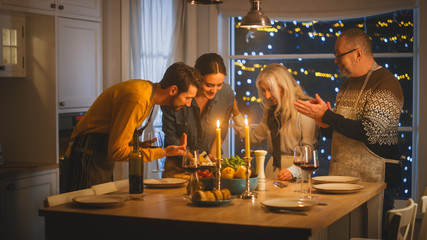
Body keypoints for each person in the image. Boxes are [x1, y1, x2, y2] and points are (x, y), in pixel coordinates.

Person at [294, 28, 403, 239]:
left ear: (358, 53)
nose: (335, 60)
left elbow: (371, 133)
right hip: (344, 183)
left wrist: (328, 117)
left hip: (377, 183)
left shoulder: (386, 84)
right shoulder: (346, 85)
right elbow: (344, 134)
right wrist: (324, 124)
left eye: (338, 54)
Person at [61, 62, 202, 193]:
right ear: (173, 90)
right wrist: (163, 153)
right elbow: (116, 151)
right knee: (83, 217)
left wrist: (138, 145)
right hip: (86, 155)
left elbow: (116, 136)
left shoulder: (147, 93)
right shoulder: (139, 99)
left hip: (97, 154)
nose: (189, 104)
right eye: (187, 98)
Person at [233, 63, 319, 181]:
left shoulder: (305, 108)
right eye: (263, 90)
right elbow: (252, 139)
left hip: (297, 173)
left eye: (271, 89)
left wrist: (292, 171)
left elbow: (309, 150)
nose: (267, 95)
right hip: (271, 171)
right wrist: (236, 113)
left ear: (284, 86)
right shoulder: (270, 112)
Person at [161, 53, 235, 178]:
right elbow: (170, 136)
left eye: (219, 85)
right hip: (178, 167)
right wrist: (192, 157)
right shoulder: (178, 95)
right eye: (209, 85)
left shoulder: (227, 94)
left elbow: (222, 127)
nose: (215, 90)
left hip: (210, 167)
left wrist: (213, 151)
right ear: (197, 76)